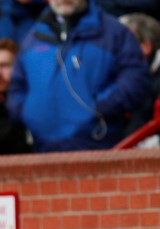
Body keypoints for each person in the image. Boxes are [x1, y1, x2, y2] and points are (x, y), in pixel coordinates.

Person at [8, 0, 152, 152]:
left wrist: (99, 107)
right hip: (43, 149)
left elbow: (135, 80)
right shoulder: (33, 38)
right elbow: (17, 86)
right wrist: (28, 113)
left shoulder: (115, 33)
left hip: (99, 146)